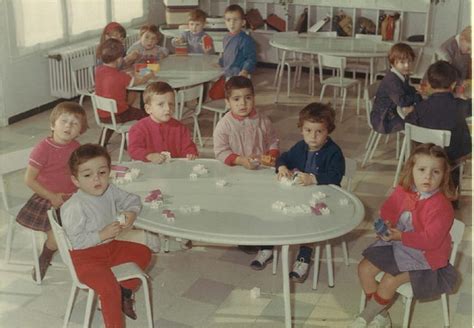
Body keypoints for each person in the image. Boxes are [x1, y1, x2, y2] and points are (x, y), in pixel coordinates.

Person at [349, 143, 457, 328]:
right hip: (398, 244)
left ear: (444, 175)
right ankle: (381, 316)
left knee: (389, 279)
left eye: (435, 172)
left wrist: (401, 237)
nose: (427, 176)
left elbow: (431, 241)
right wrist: (387, 223)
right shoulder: (404, 190)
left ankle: (365, 316)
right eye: (422, 169)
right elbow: (389, 209)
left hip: (426, 256)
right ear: (411, 169)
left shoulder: (442, 206)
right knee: (364, 268)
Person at [61, 144, 152, 327]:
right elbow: (75, 241)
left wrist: (131, 214)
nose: (97, 179)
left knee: (144, 253)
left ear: (109, 172)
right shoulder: (74, 207)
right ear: (76, 180)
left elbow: (132, 200)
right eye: (87, 175)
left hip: (110, 248)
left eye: (102, 172)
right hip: (84, 258)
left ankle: (124, 292)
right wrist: (101, 235)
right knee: (109, 289)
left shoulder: (109, 190)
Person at [16, 102, 88, 282]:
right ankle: (45, 256)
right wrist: (53, 197)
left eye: (74, 123)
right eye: (64, 121)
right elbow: (29, 180)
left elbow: (78, 172)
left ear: (80, 130)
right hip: (47, 197)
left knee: (92, 221)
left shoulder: (76, 147)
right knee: (57, 236)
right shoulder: (43, 148)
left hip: (71, 196)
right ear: (52, 124)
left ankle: (85, 259)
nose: (68, 126)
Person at [275, 102, 345, 282]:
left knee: (311, 222)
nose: (313, 136)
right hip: (300, 196)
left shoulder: (334, 152)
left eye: (319, 131)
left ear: (328, 131)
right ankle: (268, 245)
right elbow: (284, 157)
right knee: (278, 209)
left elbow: (335, 176)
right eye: (308, 131)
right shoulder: (300, 147)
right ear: (301, 130)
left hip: (324, 198)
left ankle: (304, 255)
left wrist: (313, 178)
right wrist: (282, 166)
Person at [213, 76, 279, 263]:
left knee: (262, 203)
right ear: (227, 102)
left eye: (248, 98)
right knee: (241, 205)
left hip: (261, 170)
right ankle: (244, 236)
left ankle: (263, 233)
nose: (243, 103)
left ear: (254, 98)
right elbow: (220, 152)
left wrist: (272, 153)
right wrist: (241, 160)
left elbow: (273, 139)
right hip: (236, 172)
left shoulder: (262, 120)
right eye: (236, 99)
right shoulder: (224, 125)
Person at [406, 60, 471, 195]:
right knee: (461, 136)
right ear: (453, 84)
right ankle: (451, 190)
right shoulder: (460, 105)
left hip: (425, 155)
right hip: (451, 158)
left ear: (429, 84)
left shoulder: (421, 107)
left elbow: (408, 121)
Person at [95, 38, 154, 145]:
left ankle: (102, 144)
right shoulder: (120, 76)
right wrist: (149, 74)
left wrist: (128, 75)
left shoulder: (98, 70)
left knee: (111, 117)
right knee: (146, 115)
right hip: (119, 114)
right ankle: (138, 142)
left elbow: (117, 79)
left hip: (102, 114)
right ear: (118, 59)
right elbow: (139, 81)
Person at [128, 81, 198, 163]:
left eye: (171, 104)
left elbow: (188, 146)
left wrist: (190, 153)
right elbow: (134, 150)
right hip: (150, 169)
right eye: (161, 104)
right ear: (148, 109)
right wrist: (149, 156)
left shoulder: (180, 127)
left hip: (174, 169)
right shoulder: (138, 128)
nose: (168, 108)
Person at [370, 43, 422, 134]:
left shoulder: (402, 74)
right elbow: (401, 101)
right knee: (416, 122)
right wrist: (416, 96)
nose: (407, 65)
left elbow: (407, 89)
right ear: (392, 63)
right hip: (383, 119)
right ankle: (416, 145)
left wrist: (415, 91)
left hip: (392, 111)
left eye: (409, 61)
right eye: (402, 62)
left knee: (417, 115)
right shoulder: (392, 80)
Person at [220, 4, 257, 78]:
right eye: (228, 20)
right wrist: (219, 62)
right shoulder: (226, 37)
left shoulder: (246, 40)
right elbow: (226, 54)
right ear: (225, 22)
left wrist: (245, 70)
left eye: (235, 20)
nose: (232, 23)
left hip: (238, 74)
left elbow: (251, 58)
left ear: (243, 22)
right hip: (226, 72)